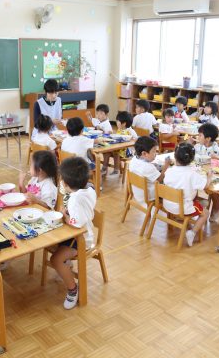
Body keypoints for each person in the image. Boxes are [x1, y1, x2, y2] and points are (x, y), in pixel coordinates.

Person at [51, 157, 97, 309]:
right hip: (79, 233)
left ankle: (72, 289)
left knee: (55, 260)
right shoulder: (89, 188)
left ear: (65, 183)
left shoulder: (74, 200)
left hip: (81, 239)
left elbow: (76, 223)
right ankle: (66, 264)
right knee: (52, 241)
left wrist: (65, 216)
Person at [163, 143, 212, 247]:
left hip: (167, 204)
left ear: (175, 157)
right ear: (192, 159)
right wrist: (209, 176)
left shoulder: (169, 170)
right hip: (182, 208)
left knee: (196, 199)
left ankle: (181, 219)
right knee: (206, 213)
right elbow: (206, 186)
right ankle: (192, 233)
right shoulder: (192, 174)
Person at [129, 136, 171, 203]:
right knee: (172, 183)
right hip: (150, 196)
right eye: (154, 151)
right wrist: (166, 165)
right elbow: (160, 179)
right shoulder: (147, 167)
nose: (156, 154)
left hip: (138, 193)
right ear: (144, 153)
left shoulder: (134, 159)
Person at [102, 111, 138, 176]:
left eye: (118, 121)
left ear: (124, 123)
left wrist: (131, 139)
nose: (116, 122)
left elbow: (136, 140)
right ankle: (104, 168)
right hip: (119, 149)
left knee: (116, 153)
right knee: (106, 152)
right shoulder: (119, 129)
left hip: (128, 151)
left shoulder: (130, 131)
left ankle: (116, 171)